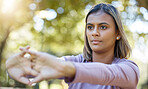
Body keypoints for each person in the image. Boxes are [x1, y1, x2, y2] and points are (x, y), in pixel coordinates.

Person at [6, 3, 140, 89]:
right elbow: (35, 69)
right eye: (90, 27)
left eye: (103, 27)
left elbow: (108, 74)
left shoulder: (129, 69)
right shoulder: (73, 62)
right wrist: (15, 67)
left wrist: (67, 69)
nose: (94, 33)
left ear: (117, 33)